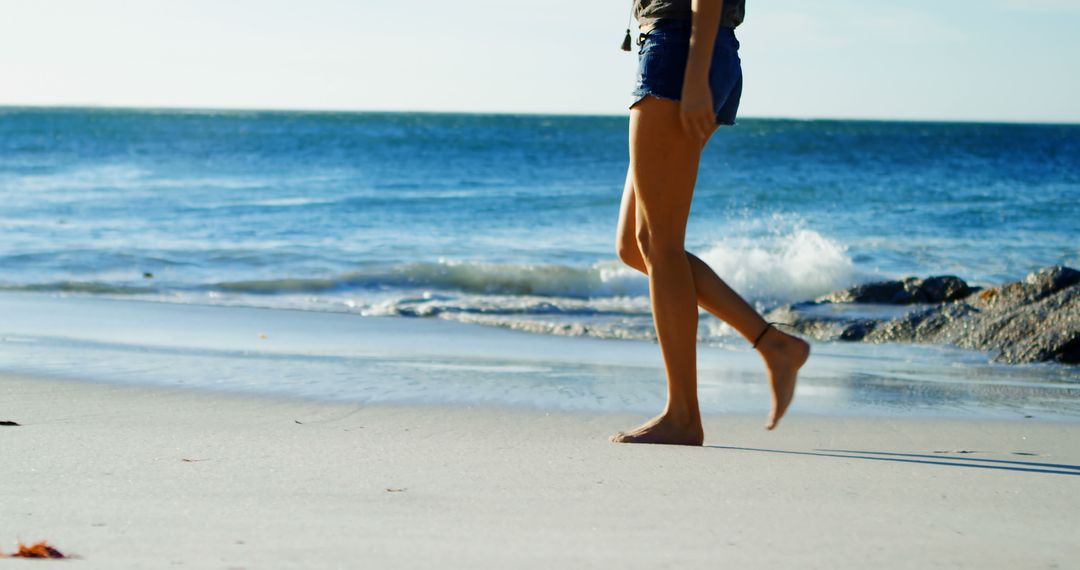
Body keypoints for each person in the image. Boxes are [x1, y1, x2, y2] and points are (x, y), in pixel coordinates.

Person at [611, 0, 810, 446]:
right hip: (678, 49)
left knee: (660, 245)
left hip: (682, 52)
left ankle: (683, 415)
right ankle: (775, 345)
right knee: (635, 244)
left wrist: (697, 75)